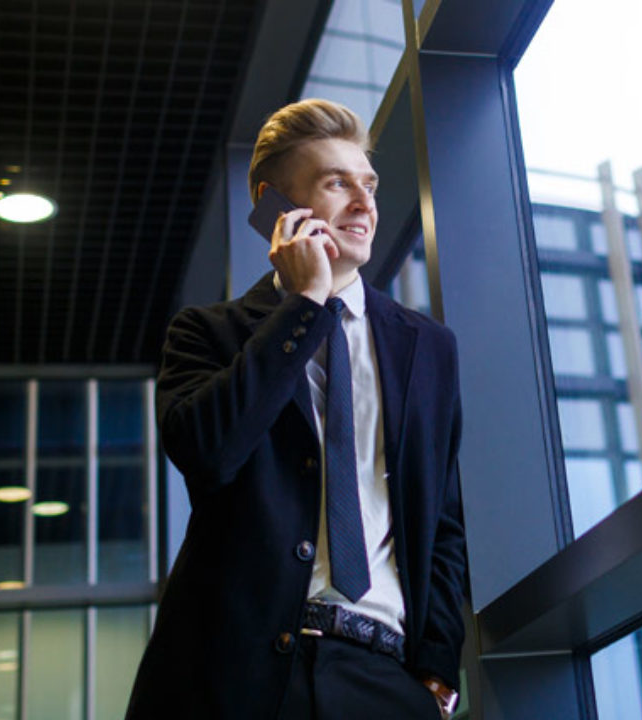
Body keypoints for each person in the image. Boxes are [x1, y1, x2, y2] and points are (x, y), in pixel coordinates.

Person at [125, 99, 466, 720]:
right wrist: (304, 306)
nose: (365, 204)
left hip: (384, 677)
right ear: (272, 205)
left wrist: (438, 669)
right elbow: (208, 453)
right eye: (338, 183)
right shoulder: (206, 333)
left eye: (370, 184)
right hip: (230, 678)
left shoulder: (428, 347)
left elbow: (443, 520)